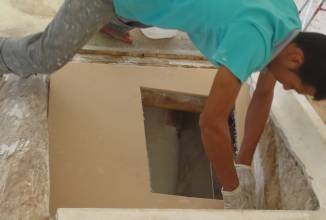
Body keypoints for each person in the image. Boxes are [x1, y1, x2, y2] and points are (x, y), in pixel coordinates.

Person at [1, 0, 326, 209]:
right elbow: (211, 123)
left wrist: (242, 162)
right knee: (45, 57)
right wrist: (232, 190)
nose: (287, 87)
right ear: (296, 58)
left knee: (161, 16)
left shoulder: (286, 22)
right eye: (296, 86)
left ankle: (115, 19)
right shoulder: (253, 39)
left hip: (145, 8)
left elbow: (263, 94)